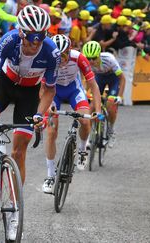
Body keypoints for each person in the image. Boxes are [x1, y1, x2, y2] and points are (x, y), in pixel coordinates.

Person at [0, 5, 59, 240]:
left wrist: (40, 114)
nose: (34, 47)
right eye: (30, 42)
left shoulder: (51, 52)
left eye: (38, 42)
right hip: (4, 88)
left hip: (30, 95)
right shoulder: (8, 41)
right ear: (21, 34)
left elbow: (49, 90)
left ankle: (15, 210)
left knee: (19, 152)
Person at [42, 34, 103, 193]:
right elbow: (41, 89)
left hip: (74, 91)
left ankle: (82, 150)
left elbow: (93, 86)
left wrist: (97, 110)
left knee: (85, 121)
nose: (60, 59)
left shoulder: (79, 58)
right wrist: (46, 108)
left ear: (69, 52)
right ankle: (50, 175)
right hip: (53, 93)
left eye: (63, 55)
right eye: (57, 55)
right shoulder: (48, 58)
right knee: (51, 131)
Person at [82, 41, 126, 148]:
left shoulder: (109, 59)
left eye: (94, 58)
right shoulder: (85, 62)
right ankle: (87, 138)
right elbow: (88, 80)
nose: (91, 61)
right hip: (99, 78)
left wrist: (119, 96)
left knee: (110, 103)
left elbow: (122, 78)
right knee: (92, 106)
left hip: (113, 79)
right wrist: (84, 91)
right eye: (89, 58)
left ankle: (111, 129)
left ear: (99, 55)